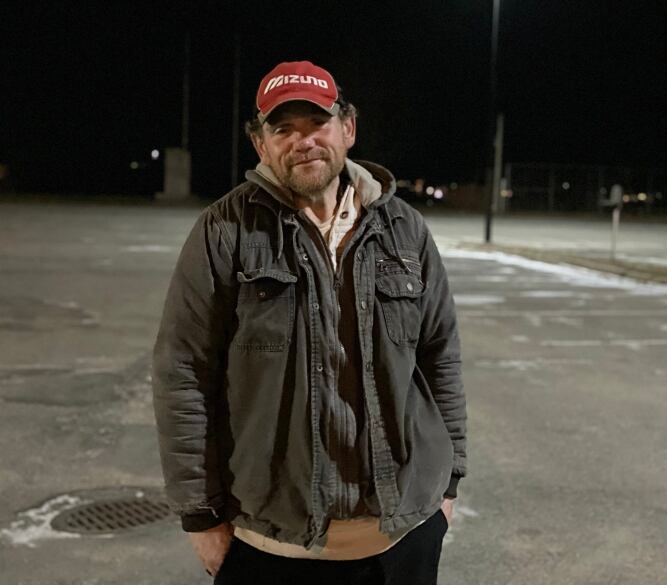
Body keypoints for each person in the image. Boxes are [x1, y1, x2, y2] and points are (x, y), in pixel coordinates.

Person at [152, 60, 466, 585]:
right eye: (283, 129)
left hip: (403, 537)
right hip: (272, 545)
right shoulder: (225, 231)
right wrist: (200, 515)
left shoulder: (404, 229)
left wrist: (449, 482)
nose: (303, 142)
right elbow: (182, 371)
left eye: (316, 123)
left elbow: (441, 357)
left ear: (347, 127)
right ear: (260, 144)